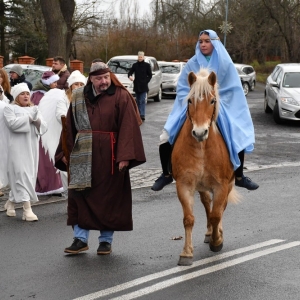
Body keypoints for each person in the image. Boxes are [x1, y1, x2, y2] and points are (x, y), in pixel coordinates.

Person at [151, 29, 259, 192]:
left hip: (220, 107)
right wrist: (189, 101)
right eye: (200, 41)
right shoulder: (192, 64)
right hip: (194, 107)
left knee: (238, 134)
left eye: (207, 41)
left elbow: (233, 89)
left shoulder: (225, 63)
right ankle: (166, 174)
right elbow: (182, 88)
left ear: (214, 42)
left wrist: (217, 103)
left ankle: (239, 177)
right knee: (165, 137)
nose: (203, 44)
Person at [55, 62, 145, 255]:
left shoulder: (121, 96)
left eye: (106, 77)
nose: (103, 82)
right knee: (80, 195)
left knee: (108, 198)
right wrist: (64, 153)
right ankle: (80, 238)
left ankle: (105, 240)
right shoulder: (79, 97)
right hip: (82, 154)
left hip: (110, 155)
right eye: (98, 78)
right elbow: (69, 127)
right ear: (91, 79)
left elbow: (128, 127)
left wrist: (125, 156)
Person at [2, 83, 47, 221]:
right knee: (22, 175)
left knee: (29, 175)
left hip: (31, 148)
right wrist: (29, 119)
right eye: (22, 94)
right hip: (16, 148)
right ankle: (27, 210)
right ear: (16, 96)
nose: (26, 96)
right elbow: (13, 124)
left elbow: (44, 127)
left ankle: (10, 202)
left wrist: (37, 120)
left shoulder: (34, 109)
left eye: (27, 93)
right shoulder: (10, 109)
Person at [39, 70, 87, 191]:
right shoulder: (64, 99)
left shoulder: (87, 99)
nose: (79, 87)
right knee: (68, 170)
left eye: (81, 84)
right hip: (67, 138)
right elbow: (60, 115)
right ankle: (72, 199)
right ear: (71, 86)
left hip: (84, 139)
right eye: (76, 84)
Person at [31, 71, 64, 196]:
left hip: (52, 130)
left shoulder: (52, 93)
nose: (56, 84)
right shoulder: (38, 95)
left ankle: (56, 185)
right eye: (54, 82)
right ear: (48, 83)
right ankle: (45, 186)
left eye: (56, 82)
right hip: (42, 132)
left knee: (53, 158)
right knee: (45, 160)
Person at [128, 51, 152, 121]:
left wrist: (146, 81)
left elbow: (150, 75)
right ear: (137, 57)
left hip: (144, 86)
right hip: (137, 85)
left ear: (143, 57)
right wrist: (130, 76)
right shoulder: (135, 65)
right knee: (138, 101)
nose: (140, 58)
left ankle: (142, 115)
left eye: (141, 57)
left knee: (142, 100)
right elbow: (130, 72)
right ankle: (138, 114)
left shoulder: (147, 65)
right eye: (139, 57)